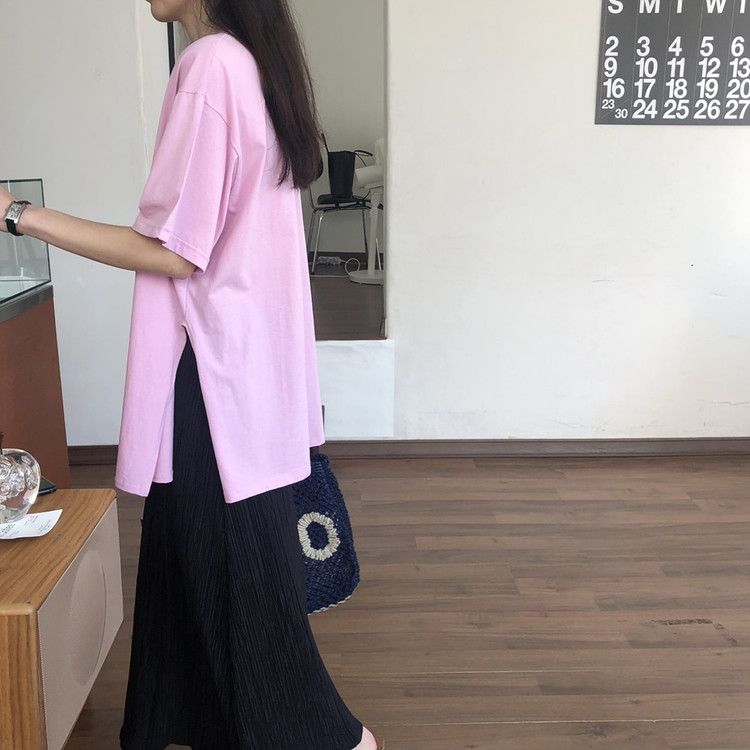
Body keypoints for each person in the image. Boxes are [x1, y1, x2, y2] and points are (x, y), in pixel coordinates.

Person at [1, 1, 379, 748]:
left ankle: (336, 741)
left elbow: (175, 251)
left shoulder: (210, 65)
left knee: (233, 567)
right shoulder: (251, 63)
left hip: (210, 371)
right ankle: (193, 723)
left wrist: (19, 215)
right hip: (238, 364)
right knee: (189, 555)